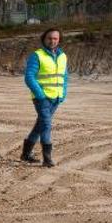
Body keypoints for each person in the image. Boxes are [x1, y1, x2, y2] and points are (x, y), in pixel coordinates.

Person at [21, 28, 68, 167]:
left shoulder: (63, 56)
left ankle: (25, 154)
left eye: (55, 38)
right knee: (46, 125)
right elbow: (29, 77)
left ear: (59, 40)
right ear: (44, 39)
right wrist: (40, 95)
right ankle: (47, 159)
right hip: (42, 98)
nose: (52, 41)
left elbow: (65, 77)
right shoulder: (37, 55)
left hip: (56, 98)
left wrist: (63, 93)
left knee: (40, 125)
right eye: (49, 38)